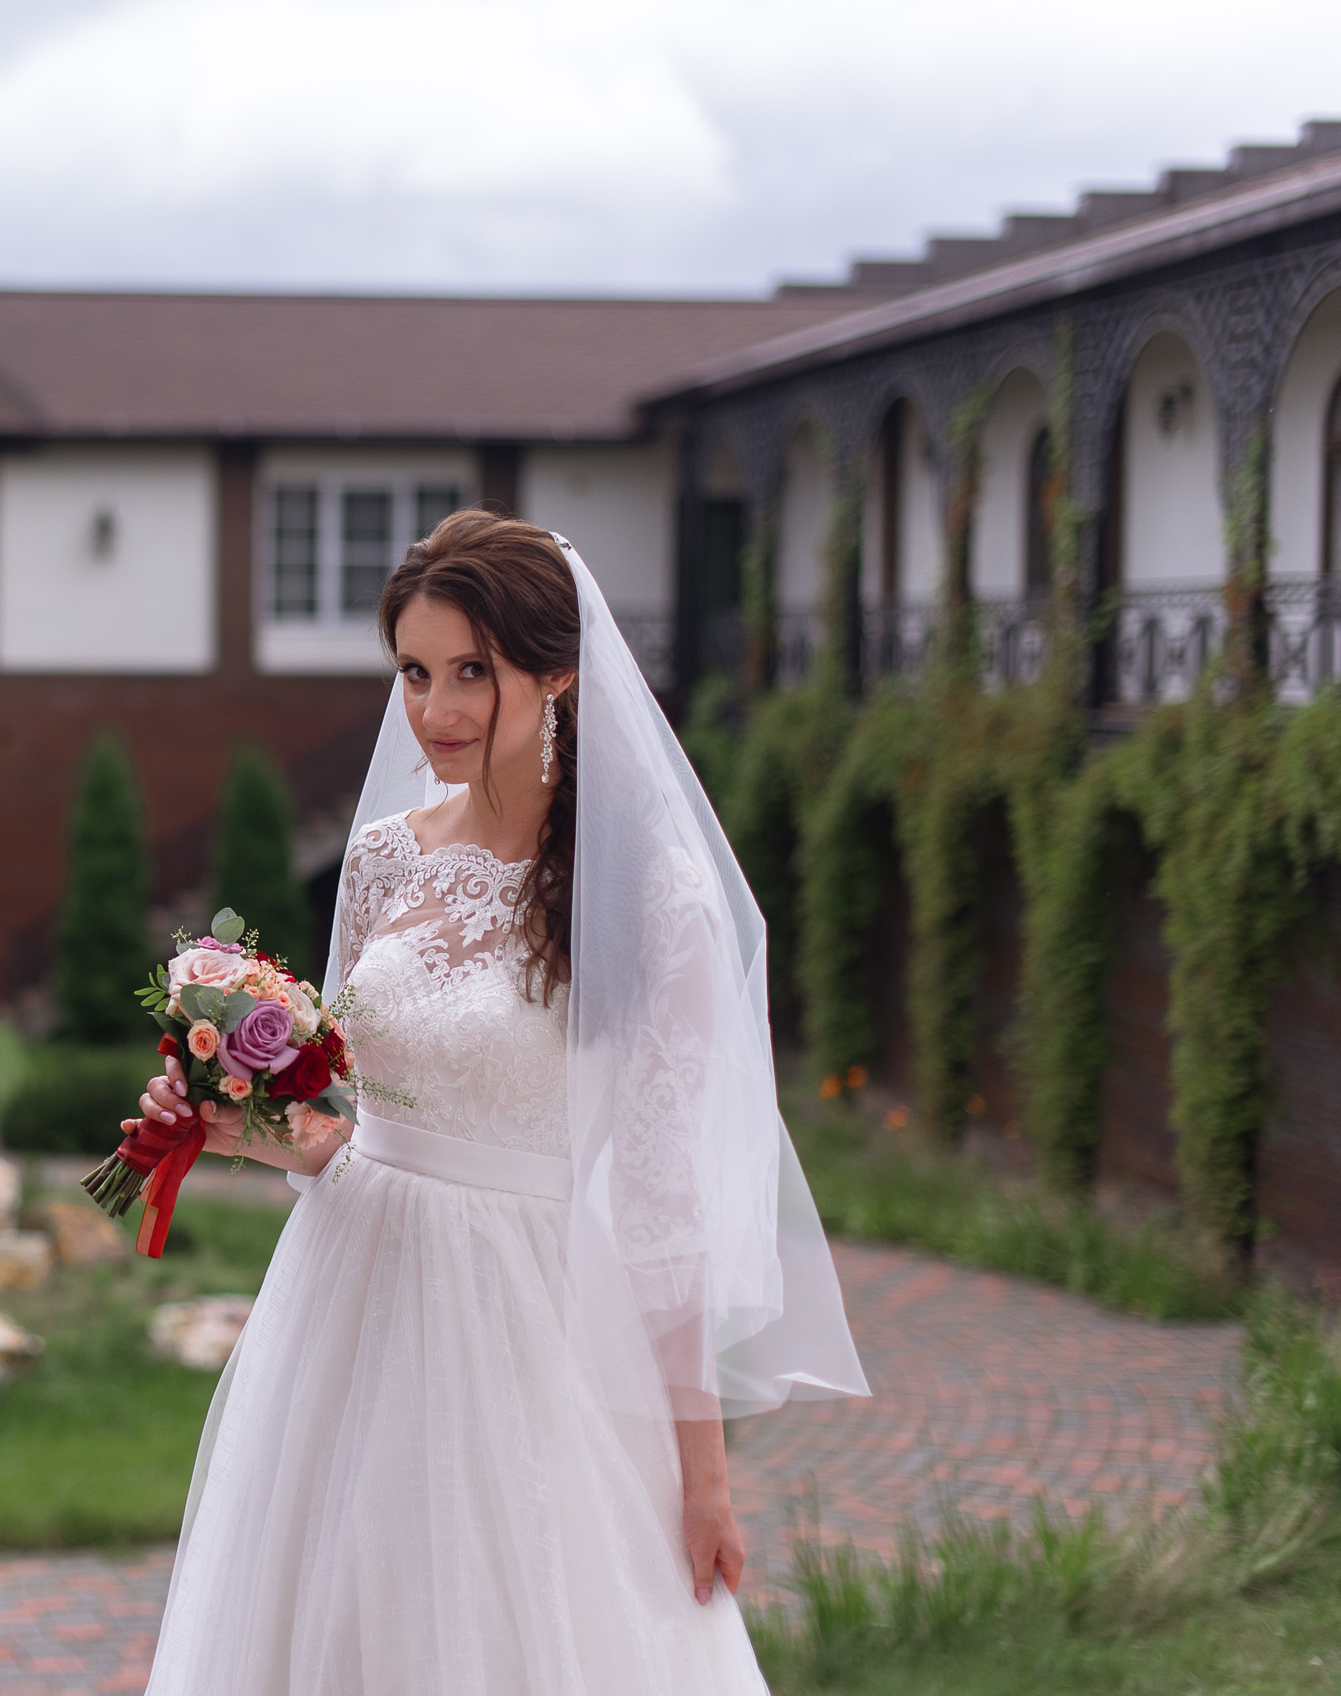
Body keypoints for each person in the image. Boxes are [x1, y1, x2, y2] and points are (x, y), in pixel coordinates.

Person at [132, 512, 868, 1694]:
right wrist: (236, 1121)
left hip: (519, 1316)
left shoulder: (647, 897)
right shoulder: (380, 858)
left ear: (557, 669)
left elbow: (666, 1196)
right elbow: (342, 1125)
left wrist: (704, 1477)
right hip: (346, 1295)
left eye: (473, 670)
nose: (436, 708)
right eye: (415, 672)